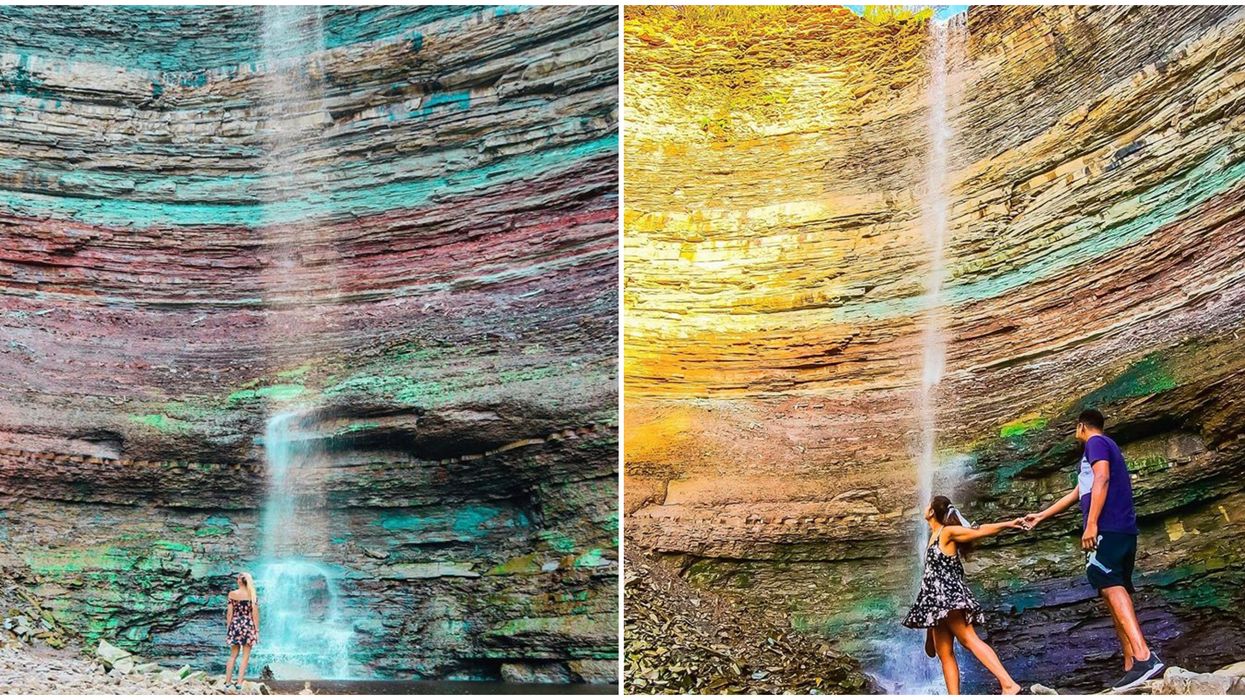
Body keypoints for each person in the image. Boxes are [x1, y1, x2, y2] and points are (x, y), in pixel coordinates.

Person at [1023, 408, 1162, 691]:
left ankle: (1144, 656)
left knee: (1109, 584)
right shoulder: (1101, 449)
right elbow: (1077, 493)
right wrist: (1041, 516)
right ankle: (1132, 666)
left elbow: (1102, 478)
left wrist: (1092, 524)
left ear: (1081, 427)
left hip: (1108, 527)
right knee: (1111, 587)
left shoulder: (1096, 443)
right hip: (1120, 528)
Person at [904, 495, 1024, 695]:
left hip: (948, 597)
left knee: (969, 639)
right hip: (935, 604)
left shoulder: (946, 532)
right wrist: (928, 627)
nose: (924, 507)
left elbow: (979, 530)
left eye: (927, 505)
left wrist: (1009, 524)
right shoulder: (932, 537)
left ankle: (1008, 684)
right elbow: (929, 582)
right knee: (944, 653)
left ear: (932, 512)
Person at [224, 572, 260, 689]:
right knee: (245, 656)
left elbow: (230, 613)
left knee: (233, 655)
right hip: (248, 626)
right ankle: (239, 683)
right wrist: (257, 630)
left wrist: (229, 628)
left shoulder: (232, 594)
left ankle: (228, 683)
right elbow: (255, 615)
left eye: (237, 578)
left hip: (235, 624)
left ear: (239, 581)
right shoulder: (252, 595)